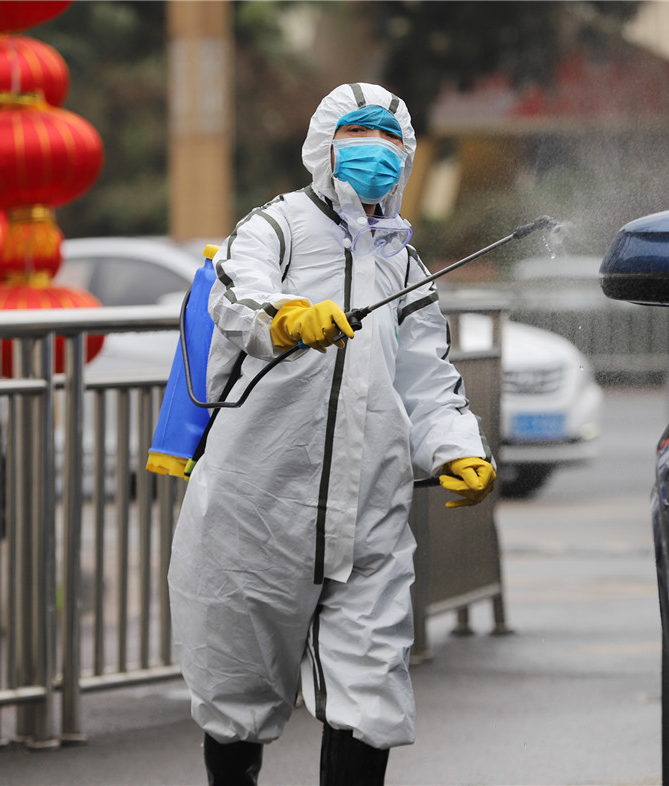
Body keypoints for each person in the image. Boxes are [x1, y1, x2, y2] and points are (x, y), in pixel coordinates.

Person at [167, 82, 496, 786]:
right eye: (358, 133)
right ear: (324, 144)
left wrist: (458, 449)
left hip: (368, 516)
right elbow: (237, 291)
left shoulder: (403, 265)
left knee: (370, 695)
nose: (375, 150)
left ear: (407, 155)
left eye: (389, 137)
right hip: (255, 508)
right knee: (235, 696)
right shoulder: (277, 228)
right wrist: (286, 317)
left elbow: (427, 381)